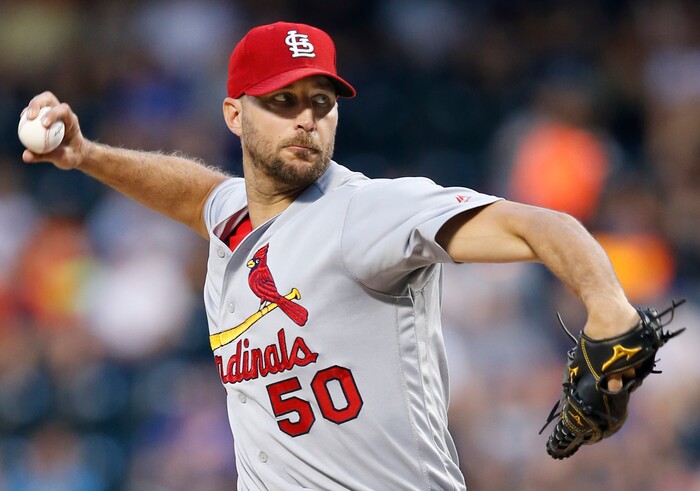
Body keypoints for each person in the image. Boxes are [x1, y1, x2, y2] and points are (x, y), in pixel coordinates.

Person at [21, 21, 640, 491]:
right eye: (282, 102)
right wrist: (87, 156)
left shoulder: (366, 213)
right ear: (234, 114)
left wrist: (609, 308)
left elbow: (540, 225)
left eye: (321, 101)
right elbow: (195, 194)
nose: (306, 120)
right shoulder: (233, 215)